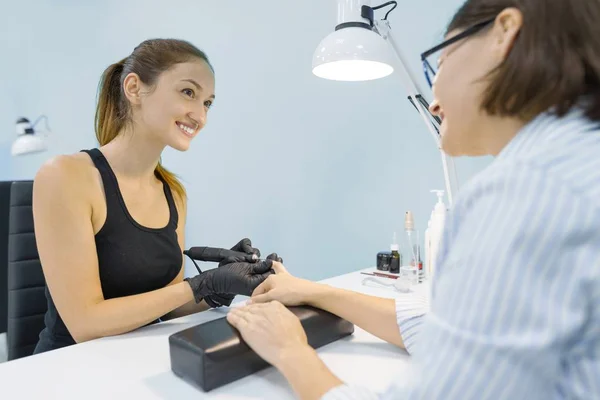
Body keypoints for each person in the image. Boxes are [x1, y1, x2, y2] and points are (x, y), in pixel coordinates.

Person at [227, 0, 600, 398]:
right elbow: (454, 329)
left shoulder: (527, 190)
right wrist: (314, 291)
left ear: (504, 33)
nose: (433, 101)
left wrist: (290, 351)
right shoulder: (578, 163)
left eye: (439, 64)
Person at [32, 38, 278, 354]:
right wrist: (201, 284)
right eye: (188, 92)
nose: (200, 116)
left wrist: (222, 288)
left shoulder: (173, 193)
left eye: (207, 103)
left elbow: (169, 308)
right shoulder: (66, 176)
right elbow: (85, 325)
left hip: (139, 359)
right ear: (134, 88)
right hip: (66, 367)